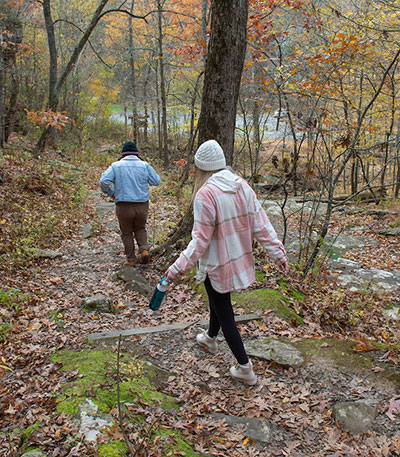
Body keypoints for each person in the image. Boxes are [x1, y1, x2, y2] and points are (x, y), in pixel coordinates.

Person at [165, 140, 289, 385]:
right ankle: (210, 338)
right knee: (218, 301)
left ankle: (245, 369)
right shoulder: (242, 185)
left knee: (225, 314)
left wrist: (176, 269)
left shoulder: (205, 194)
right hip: (237, 260)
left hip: (217, 265)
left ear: (201, 168)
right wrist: (278, 253)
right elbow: (261, 224)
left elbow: (199, 243)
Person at [99, 141, 161, 266]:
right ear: (136, 153)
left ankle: (131, 260)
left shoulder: (116, 166)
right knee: (140, 228)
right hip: (142, 204)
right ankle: (144, 250)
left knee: (126, 232)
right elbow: (156, 181)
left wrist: (111, 193)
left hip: (123, 205)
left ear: (123, 153)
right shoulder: (144, 165)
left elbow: (103, 181)